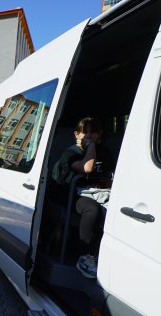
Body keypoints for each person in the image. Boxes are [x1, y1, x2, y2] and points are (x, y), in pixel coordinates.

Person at [50, 117, 114, 278]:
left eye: (92, 132)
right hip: (74, 194)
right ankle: (85, 256)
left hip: (98, 192)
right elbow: (87, 167)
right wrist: (91, 146)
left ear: (99, 134)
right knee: (91, 209)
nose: (88, 135)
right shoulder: (70, 153)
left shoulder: (105, 152)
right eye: (84, 132)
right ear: (76, 135)